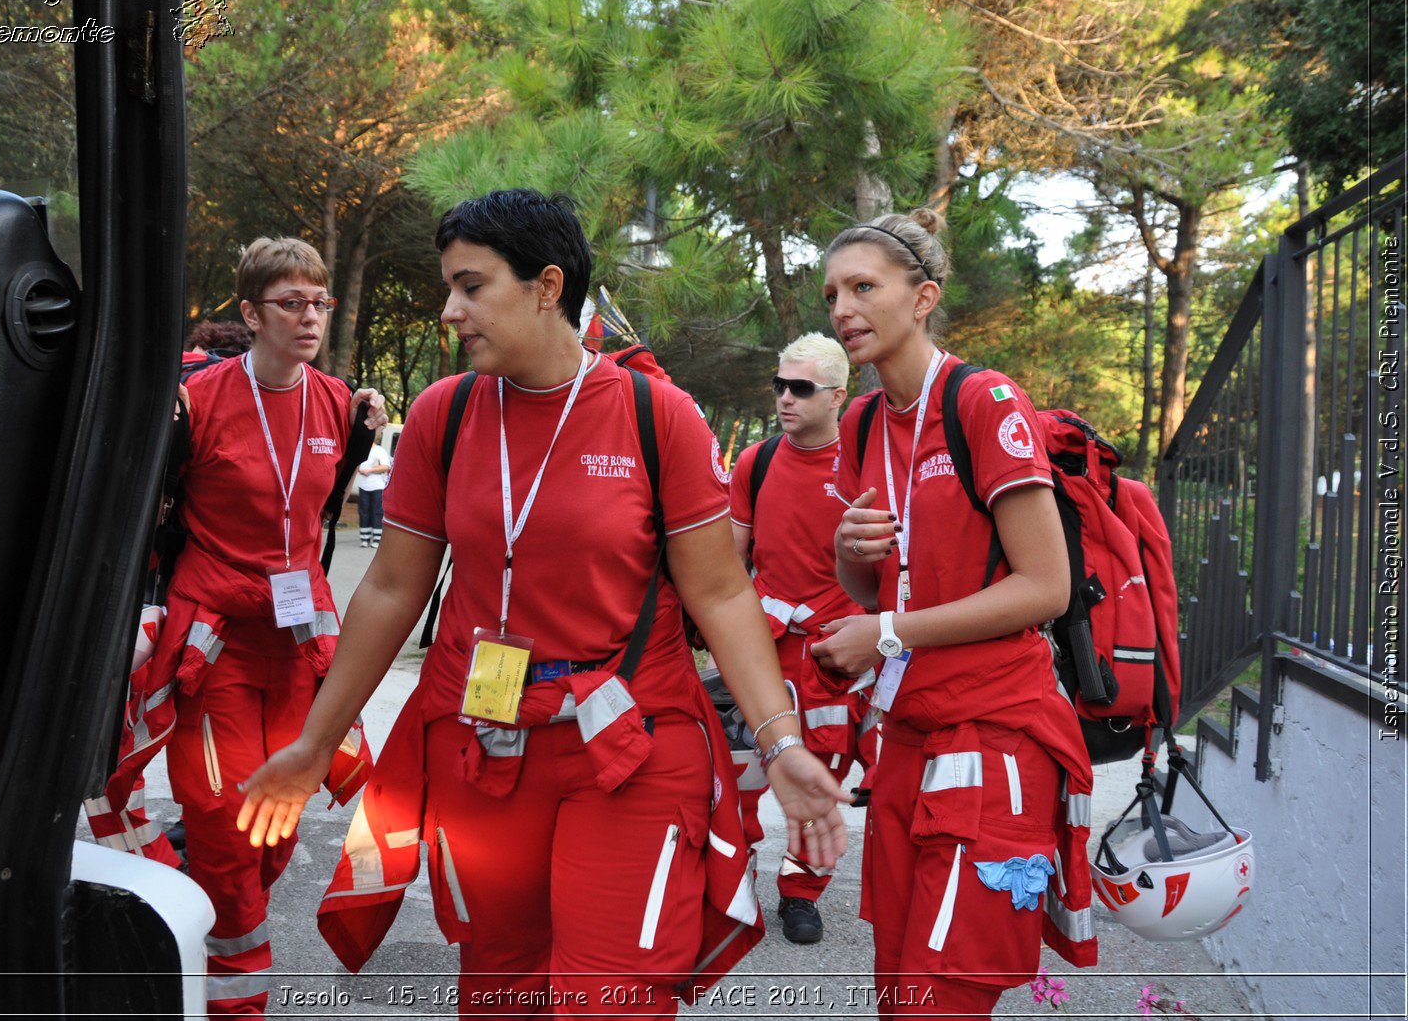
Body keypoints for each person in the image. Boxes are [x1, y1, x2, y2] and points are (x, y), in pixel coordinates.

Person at [236, 189, 851, 1017]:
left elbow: (720, 591)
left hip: (630, 739)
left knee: (611, 996)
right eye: (449, 287)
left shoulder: (653, 414)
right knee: (501, 986)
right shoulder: (443, 414)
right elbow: (390, 586)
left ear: (547, 286)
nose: (451, 310)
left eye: (471, 286)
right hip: (491, 742)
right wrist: (315, 744)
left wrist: (780, 745)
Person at [809, 211, 1099, 1017]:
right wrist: (846, 553)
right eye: (833, 292)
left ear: (923, 296)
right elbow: (874, 591)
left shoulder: (984, 400)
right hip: (906, 737)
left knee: (944, 997)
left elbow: (1047, 586)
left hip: (996, 731)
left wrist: (890, 634)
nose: (842, 308)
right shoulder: (863, 421)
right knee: (899, 989)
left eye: (864, 287)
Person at [157, 237, 385, 1017]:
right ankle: (233, 1002)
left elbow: (321, 510)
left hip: (296, 639)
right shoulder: (197, 401)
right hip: (212, 639)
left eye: (319, 301)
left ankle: (200, 903)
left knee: (278, 825)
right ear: (251, 313)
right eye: (292, 302)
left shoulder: (336, 400)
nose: (311, 316)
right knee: (227, 822)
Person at [727, 332, 870, 945]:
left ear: (838, 395)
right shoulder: (755, 463)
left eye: (801, 388)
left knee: (822, 772)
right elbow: (729, 566)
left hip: (833, 656)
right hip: (762, 649)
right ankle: (731, 883)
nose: (785, 398)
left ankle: (800, 894)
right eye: (779, 385)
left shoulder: (865, 467)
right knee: (737, 776)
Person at [354, 431, 391, 547]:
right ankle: (365, 538)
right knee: (363, 511)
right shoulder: (361, 449)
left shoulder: (380, 451)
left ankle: (377, 538)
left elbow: (386, 466)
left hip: (377, 486)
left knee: (377, 511)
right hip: (364, 485)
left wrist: (370, 471)